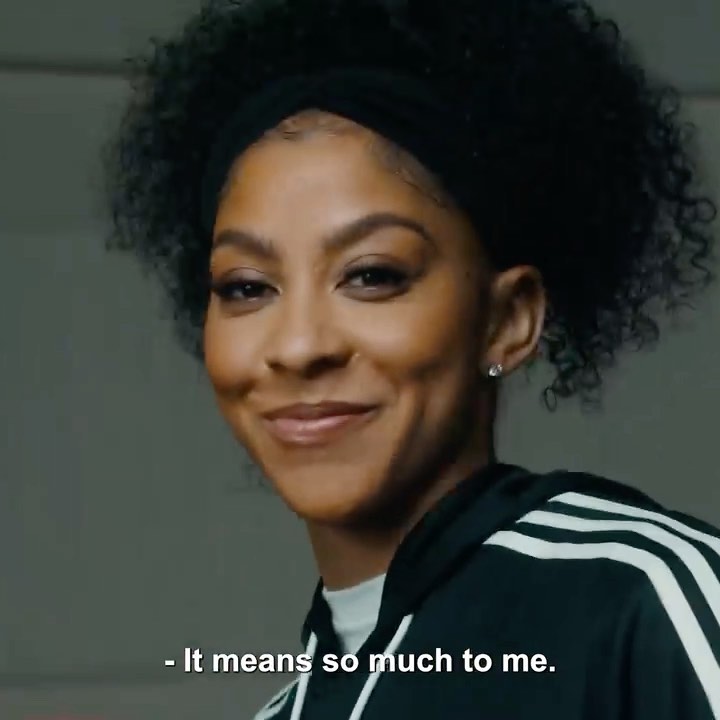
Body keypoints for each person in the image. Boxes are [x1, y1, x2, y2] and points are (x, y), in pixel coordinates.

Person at [104, 0, 720, 717]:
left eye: (372, 275)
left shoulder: (647, 604)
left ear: (508, 320)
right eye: (246, 287)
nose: (299, 346)